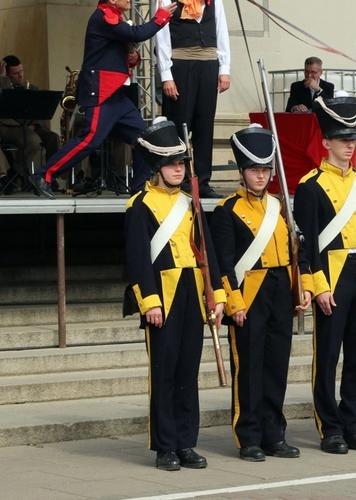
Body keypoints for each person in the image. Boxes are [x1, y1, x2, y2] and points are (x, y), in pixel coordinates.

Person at [293, 95, 356, 454]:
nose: (350, 147)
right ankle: (330, 427)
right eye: (342, 140)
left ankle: (355, 424)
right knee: (328, 358)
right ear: (326, 143)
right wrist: (317, 286)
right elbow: (306, 244)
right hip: (331, 276)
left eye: (353, 140)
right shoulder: (310, 186)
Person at [124, 118, 226, 471]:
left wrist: (217, 295)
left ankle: (186, 442)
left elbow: (207, 252)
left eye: (181, 163)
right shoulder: (140, 205)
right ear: (157, 167)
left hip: (191, 294)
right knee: (163, 373)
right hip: (162, 296)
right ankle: (165, 446)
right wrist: (149, 301)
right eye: (171, 164)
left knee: (187, 372)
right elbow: (137, 259)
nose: (178, 169)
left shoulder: (190, 202)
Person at [210, 125, 313, 462]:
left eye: (265, 169)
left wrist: (303, 287)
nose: (260, 175)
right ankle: (249, 436)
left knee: (275, 366)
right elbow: (223, 263)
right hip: (248, 294)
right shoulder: (226, 211)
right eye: (254, 169)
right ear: (242, 172)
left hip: (281, 291)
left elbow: (296, 249)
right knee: (250, 369)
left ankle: (274, 434)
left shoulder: (280, 206)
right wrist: (233, 302)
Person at [29, 0, 176, 200]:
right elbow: (137, 34)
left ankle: (139, 190)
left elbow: (115, 52)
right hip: (102, 92)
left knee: (145, 141)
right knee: (90, 139)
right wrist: (160, 17)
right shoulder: (103, 16)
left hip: (116, 95)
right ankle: (42, 175)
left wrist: (130, 56)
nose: (129, 0)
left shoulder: (112, 17)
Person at [155, 0, 231, 199]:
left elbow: (221, 30)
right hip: (180, 64)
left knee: (205, 125)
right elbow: (161, 36)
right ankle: (177, 178)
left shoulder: (213, 1)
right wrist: (166, 75)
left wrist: (224, 69)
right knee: (180, 123)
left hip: (208, 64)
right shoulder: (167, 0)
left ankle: (202, 182)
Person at [0, 55, 60, 178]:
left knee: (53, 138)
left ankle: (50, 175)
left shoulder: (31, 87)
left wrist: (35, 124)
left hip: (31, 125)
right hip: (10, 126)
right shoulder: (3, 85)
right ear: (7, 74)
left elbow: (39, 110)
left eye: (21, 71)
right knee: (32, 140)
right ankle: (16, 174)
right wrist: (2, 78)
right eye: (16, 73)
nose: (21, 75)